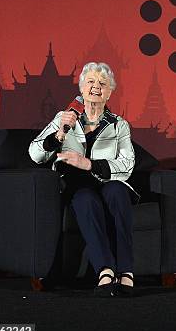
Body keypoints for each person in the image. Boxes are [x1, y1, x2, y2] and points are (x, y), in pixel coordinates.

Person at [29, 62, 136, 297]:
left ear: (109, 92)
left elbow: (127, 165)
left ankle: (126, 272)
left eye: (102, 84)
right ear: (81, 87)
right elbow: (36, 154)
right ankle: (106, 271)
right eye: (91, 82)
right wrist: (59, 133)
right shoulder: (64, 117)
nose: (96, 87)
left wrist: (89, 164)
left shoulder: (120, 125)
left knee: (118, 192)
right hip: (77, 184)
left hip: (107, 181)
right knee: (86, 199)